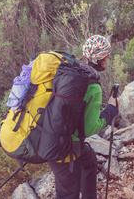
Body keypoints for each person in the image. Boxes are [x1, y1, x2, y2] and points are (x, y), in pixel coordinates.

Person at [47, 35, 119, 199]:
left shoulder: (69, 69)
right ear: (99, 59)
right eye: (105, 58)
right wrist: (111, 110)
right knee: (68, 194)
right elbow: (89, 128)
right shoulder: (92, 86)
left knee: (88, 160)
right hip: (62, 147)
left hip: (51, 133)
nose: (106, 62)